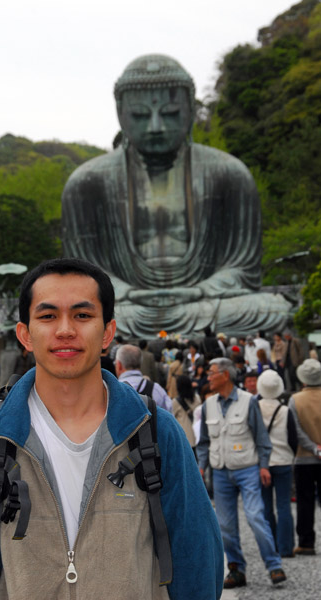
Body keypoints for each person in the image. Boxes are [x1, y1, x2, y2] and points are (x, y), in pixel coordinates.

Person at [0, 258, 224, 600]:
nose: (65, 330)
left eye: (82, 315)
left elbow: (197, 557)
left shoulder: (155, 432)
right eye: (47, 316)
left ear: (108, 332)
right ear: (25, 334)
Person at [61, 54, 290, 337]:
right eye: (141, 115)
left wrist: (199, 290)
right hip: (129, 306)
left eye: (170, 113)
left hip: (206, 301)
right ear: (120, 113)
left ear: (191, 111)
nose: (155, 126)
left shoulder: (229, 174)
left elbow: (242, 268)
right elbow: (85, 276)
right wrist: (128, 292)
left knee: (269, 308)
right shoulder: (87, 183)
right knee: (89, 317)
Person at [196, 358, 286, 588]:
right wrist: (201, 466)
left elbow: (261, 439)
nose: (208, 377)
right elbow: (204, 442)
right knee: (224, 525)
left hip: (248, 469)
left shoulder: (249, 402)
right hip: (220, 472)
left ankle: (274, 565)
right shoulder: (208, 405)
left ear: (225, 375)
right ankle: (236, 569)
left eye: (212, 372)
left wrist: (264, 465)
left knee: (256, 517)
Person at [257, 370, 297, 557]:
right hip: (283, 460)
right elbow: (293, 438)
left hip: (262, 463)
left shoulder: (254, 407)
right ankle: (286, 547)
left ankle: (270, 546)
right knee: (283, 505)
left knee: (265, 506)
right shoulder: (285, 410)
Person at [288, 358, 321, 555]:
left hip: (304, 456)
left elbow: (296, 430)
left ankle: (306, 542)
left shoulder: (295, 399)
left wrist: (314, 447)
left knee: (305, 501)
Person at [116, 344, 173, 412]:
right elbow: (169, 415)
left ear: (119, 365)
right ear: (140, 363)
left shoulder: (109, 391)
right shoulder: (156, 389)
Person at [172, 375, 200, 451]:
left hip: (185, 438)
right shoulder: (197, 398)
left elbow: (172, 418)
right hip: (197, 436)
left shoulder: (176, 402)